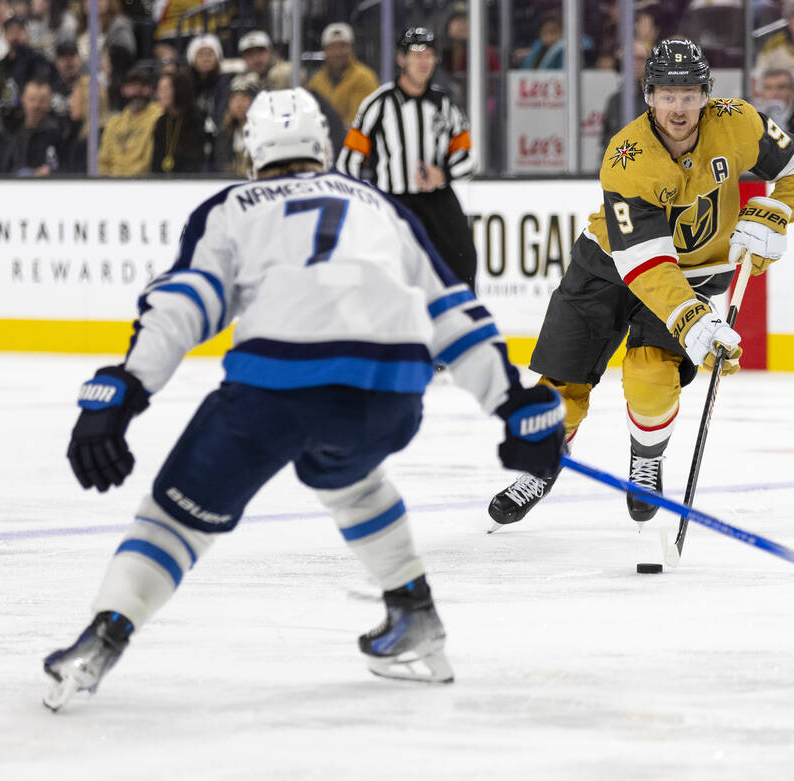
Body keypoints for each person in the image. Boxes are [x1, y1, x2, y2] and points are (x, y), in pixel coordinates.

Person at [41, 87, 565, 712]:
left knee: (174, 516)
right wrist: (510, 403)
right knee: (347, 475)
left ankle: (102, 638)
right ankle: (414, 614)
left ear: (250, 153)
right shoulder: (378, 204)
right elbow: (452, 310)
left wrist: (126, 389)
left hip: (278, 386)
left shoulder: (233, 205)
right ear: (323, 148)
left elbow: (184, 305)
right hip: (391, 393)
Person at [488, 38, 794, 527]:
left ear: (707, 94)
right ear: (648, 96)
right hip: (609, 265)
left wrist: (776, 210)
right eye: (668, 94)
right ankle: (542, 466)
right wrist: (693, 320)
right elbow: (645, 264)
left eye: (690, 94)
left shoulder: (737, 121)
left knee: (652, 378)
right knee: (560, 385)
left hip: (691, 273)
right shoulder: (627, 157)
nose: (679, 106)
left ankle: (646, 461)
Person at [338, 27, 478, 289]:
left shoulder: (443, 104)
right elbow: (349, 162)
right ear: (401, 59)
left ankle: (463, 325)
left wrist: (442, 174)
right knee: (391, 273)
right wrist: (368, 200)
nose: (424, 61)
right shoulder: (377, 104)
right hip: (394, 202)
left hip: (438, 200)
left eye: (429, 55)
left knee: (463, 262)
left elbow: (469, 157)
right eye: (416, 54)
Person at [307, 22, 378, 126]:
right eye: (332, 47)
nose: (337, 53)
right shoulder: (316, 82)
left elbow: (359, 123)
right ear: (324, 50)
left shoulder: (364, 78)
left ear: (352, 48)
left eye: (343, 46)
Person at [98, 65, 161, 176]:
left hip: (142, 184)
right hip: (111, 184)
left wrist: (127, 181)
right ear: (123, 90)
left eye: (143, 86)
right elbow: (103, 161)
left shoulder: (158, 118)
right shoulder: (114, 123)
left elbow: (149, 161)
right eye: (132, 85)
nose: (137, 91)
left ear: (151, 89)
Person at [0, 75, 59, 175]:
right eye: (32, 99)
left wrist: (51, 172)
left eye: (42, 100)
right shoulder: (10, 131)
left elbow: (65, 166)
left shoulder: (57, 134)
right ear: (23, 99)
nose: (36, 105)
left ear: (49, 102)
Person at [151, 68, 206, 174]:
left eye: (165, 89)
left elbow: (195, 162)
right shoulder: (162, 122)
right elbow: (156, 160)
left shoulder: (195, 120)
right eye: (159, 89)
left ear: (180, 89)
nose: (159, 94)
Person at [600, 39, 650, 150]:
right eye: (631, 59)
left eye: (640, 59)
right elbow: (606, 138)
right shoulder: (614, 100)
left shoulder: (656, 99)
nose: (635, 63)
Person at [211, 71, 259, 176]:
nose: (239, 103)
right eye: (234, 97)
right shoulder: (224, 134)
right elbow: (219, 165)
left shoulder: (262, 133)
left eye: (245, 96)